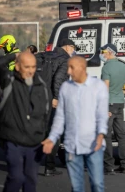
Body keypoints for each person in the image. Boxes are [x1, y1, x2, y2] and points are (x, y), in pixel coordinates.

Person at [42, 56, 109, 192]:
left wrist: (101, 134)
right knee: (77, 187)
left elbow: (102, 114)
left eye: (72, 67)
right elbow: (60, 117)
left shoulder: (98, 86)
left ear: (82, 68)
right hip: (72, 146)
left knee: (97, 184)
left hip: (93, 144)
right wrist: (52, 138)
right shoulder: (66, 88)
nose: (68, 71)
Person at [0, 51, 51, 192]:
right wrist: (14, 55)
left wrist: (47, 136)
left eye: (33, 67)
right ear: (18, 66)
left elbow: (46, 113)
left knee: (31, 180)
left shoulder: (42, 86)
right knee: (17, 177)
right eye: (27, 67)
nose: (31, 71)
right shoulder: (9, 80)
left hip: (35, 141)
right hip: (13, 139)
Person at [100, 43, 125, 175]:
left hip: (109, 104)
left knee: (106, 135)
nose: (102, 54)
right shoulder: (122, 65)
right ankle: (124, 164)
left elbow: (105, 88)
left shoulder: (106, 68)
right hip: (120, 103)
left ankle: (109, 166)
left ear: (110, 52)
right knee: (121, 134)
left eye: (103, 51)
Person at [42, 38, 77, 177]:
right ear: (67, 47)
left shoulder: (47, 56)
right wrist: (56, 97)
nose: (73, 51)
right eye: (73, 48)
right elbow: (58, 79)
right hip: (54, 99)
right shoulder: (65, 59)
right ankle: (50, 166)